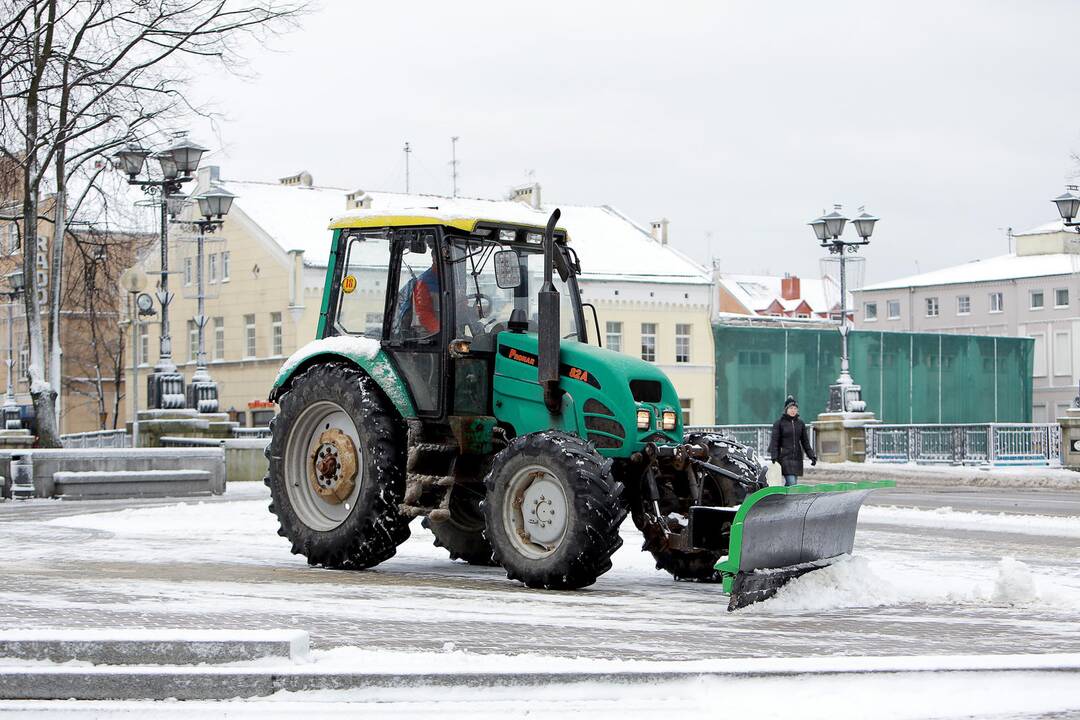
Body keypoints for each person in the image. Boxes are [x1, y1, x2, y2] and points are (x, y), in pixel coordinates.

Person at [768, 395, 817, 486]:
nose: (793, 410)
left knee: (791, 484)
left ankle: (784, 498)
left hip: (797, 458)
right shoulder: (779, 423)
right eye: (791, 408)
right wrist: (774, 456)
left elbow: (805, 442)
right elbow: (774, 442)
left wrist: (812, 456)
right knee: (792, 483)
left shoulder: (800, 424)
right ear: (786, 409)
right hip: (784, 457)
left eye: (795, 408)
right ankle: (786, 498)